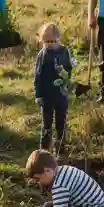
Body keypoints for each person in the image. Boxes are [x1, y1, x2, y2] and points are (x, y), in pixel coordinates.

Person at [33, 22, 73, 152]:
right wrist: (38, 95)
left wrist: (64, 74)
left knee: (61, 122)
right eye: (46, 42)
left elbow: (69, 70)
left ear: (58, 39)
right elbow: (38, 76)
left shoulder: (64, 51)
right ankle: (44, 150)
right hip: (46, 96)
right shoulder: (42, 55)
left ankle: (61, 147)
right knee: (47, 123)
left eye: (52, 41)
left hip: (61, 94)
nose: (49, 44)